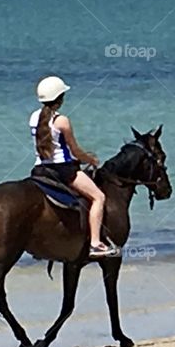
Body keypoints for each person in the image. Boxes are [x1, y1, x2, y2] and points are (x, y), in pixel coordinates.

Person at [30, 76, 118, 257]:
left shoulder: (34, 117)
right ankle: (95, 243)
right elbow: (75, 151)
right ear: (60, 98)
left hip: (40, 169)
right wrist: (91, 160)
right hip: (63, 170)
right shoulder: (62, 121)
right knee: (98, 197)